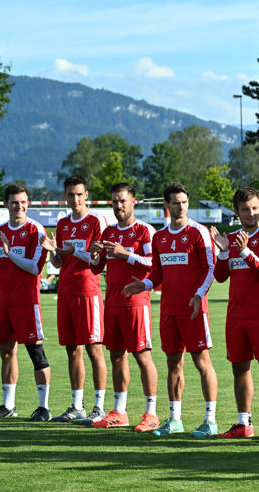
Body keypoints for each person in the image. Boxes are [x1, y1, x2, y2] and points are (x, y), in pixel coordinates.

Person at [123, 182, 219, 438]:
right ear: (167, 205)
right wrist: (141, 285)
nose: (181, 206)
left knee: (202, 362)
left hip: (194, 310)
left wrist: (199, 296)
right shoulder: (160, 237)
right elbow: (157, 273)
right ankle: (175, 418)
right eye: (175, 202)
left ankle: (210, 420)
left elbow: (210, 268)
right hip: (169, 311)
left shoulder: (199, 233)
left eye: (184, 202)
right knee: (173, 364)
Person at [211, 188, 259, 441]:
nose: (251, 213)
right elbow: (220, 277)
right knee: (239, 369)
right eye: (245, 209)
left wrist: (244, 251)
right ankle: (244, 424)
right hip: (236, 315)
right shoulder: (228, 238)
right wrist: (223, 252)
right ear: (237, 212)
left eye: (255, 208)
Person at [88, 182, 160, 431]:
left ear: (133, 202)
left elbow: (153, 263)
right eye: (115, 201)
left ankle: (151, 413)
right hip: (113, 302)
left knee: (142, 355)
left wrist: (125, 255)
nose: (118, 206)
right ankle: (120, 411)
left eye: (123, 201)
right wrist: (95, 256)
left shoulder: (145, 231)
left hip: (136, 302)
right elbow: (96, 269)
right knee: (117, 355)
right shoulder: (108, 232)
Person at [0, 184, 53, 421]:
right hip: (3, 301)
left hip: (26, 302)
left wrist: (10, 253)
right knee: (7, 353)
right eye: (14, 202)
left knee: (36, 352)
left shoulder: (35, 230)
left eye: (22, 202)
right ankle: (8, 406)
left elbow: (34, 268)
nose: (19, 206)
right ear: (6, 204)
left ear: (28, 203)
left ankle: (44, 408)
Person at [41, 175, 108, 424]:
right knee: (72, 350)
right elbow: (60, 261)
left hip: (88, 291)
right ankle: (77, 405)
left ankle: (99, 407)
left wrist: (74, 251)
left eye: (79, 194)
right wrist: (53, 255)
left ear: (86, 195)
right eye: (71, 194)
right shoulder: (63, 224)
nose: (75, 199)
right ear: (65, 197)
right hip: (66, 291)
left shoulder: (95, 222)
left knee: (94, 348)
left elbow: (96, 260)